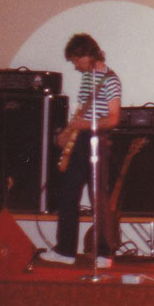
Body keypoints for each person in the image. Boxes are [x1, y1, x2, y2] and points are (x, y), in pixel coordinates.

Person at [45, 34, 121, 268]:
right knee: (68, 194)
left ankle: (104, 254)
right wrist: (68, 132)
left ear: (87, 55)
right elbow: (81, 111)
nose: (75, 66)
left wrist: (85, 125)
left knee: (98, 198)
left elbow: (113, 119)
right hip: (80, 140)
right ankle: (65, 251)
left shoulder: (111, 80)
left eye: (76, 60)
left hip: (97, 140)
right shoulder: (88, 77)